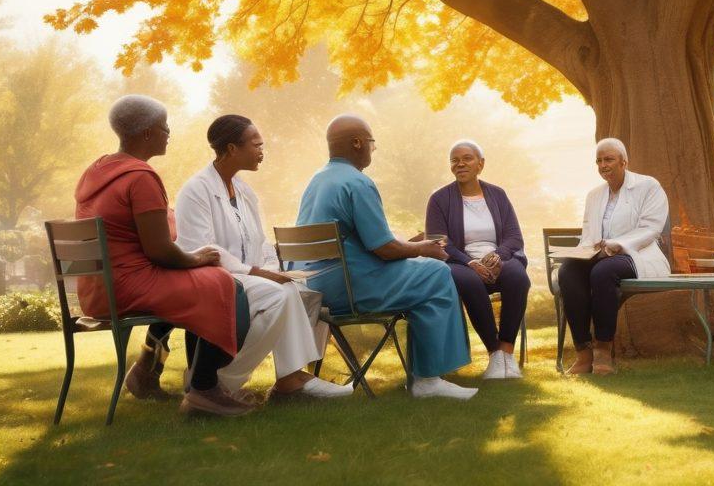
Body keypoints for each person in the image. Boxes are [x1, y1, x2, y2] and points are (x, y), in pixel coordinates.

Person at [74, 95, 254, 416]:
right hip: (127, 285)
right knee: (223, 284)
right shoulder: (141, 177)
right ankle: (204, 388)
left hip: (98, 288)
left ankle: (147, 370)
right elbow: (158, 250)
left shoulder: (98, 171)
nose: (169, 132)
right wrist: (198, 258)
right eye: (164, 126)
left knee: (199, 283)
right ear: (146, 133)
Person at [295, 115, 476, 400]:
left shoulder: (317, 180)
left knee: (421, 273)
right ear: (357, 143)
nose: (373, 148)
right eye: (371, 142)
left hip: (314, 285)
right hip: (351, 288)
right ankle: (428, 380)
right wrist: (423, 248)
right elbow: (384, 249)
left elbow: (366, 241)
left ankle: (426, 374)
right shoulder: (358, 182)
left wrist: (408, 245)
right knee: (436, 273)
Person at [175, 115, 351, 400]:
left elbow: (260, 241)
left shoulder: (244, 191)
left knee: (298, 291)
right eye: (256, 145)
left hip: (246, 276)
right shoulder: (196, 190)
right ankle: (218, 381)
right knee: (278, 297)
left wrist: (274, 269)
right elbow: (204, 250)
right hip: (214, 278)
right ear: (232, 149)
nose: (261, 151)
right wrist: (256, 272)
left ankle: (290, 378)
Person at [559, 138, 670, 376]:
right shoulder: (594, 195)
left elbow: (651, 228)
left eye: (608, 159)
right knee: (568, 271)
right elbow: (588, 234)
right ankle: (583, 353)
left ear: (624, 162)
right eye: (599, 161)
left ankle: (603, 350)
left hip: (637, 254)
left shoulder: (649, 186)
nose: (603, 165)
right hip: (600, 254)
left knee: (603, 272)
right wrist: (585, 251)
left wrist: (616, 245)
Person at [425, 140, 529, 380]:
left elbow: (514, 236)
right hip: (460, 263)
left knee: (518, 277)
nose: (460, 164)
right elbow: (439, 241)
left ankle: (506, 353)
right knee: (469, 281)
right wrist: (470, 262)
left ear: (480, 164)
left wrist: (498, 255)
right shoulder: (439, 199)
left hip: (498, 259)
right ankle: (494, 354)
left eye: (467, 158)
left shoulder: (497, 194)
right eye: (454, 160)